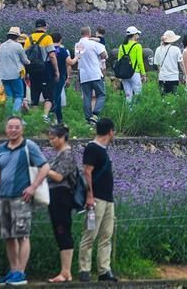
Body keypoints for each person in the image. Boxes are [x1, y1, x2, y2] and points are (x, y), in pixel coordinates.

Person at [0, 116, 49, 286]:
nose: (13, 130)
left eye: (16, 127)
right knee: (8, 236)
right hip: (4, 197)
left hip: (22, 198)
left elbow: (45, 166)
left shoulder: (28, 146)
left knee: (22, 235)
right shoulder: (1, 149)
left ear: (22, 129)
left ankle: (21, 272)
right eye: (10, 127)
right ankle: (13, 270)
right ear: (6, 129)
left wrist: (33, 186)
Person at [78, 118, 118, 283]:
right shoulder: (92, 148)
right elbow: (87, 172)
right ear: (110, 131)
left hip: (108, 199)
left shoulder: (103, 149)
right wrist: (89, 196)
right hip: (96, 200)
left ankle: (104, 270)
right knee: (90, 234)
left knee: (106, 235)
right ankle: (84, 270)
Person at [46, 125, 79, 284]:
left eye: (53, 138)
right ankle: (64, 271)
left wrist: (43, 169)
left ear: (62, 137)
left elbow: (59, 176)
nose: (51, 141)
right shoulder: (60, 154)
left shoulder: (67, 154)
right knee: (59, 231)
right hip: (55, 197)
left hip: (62, 197)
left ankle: (66, 272)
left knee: (63, 230)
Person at [68, 26, 108, 126]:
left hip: (84, 75)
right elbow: (104, 55)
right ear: (89, 33)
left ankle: (88, 118)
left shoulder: (77, 45)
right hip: (95, 73)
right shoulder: (93, 43)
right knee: (101, 95)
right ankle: (95, 115)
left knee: (87, 97)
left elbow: (78, 58)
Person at [24, 19, 59, 118]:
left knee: (34, 93)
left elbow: (25, 55)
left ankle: (35, 118)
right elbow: (52, 55)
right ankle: (45, 115)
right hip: (45, 68)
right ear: (45, 27)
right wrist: (56, 71)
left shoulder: (28, 38)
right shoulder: (47, 38)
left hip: (32, 69)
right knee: (49, 95)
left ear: (35, 27)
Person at [0, 27, 30, 114]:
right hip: (15, 75)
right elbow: (25, 60)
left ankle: (8, 116)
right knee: (19, 96)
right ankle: (15, 115)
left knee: (9, 96)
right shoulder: (18, 46)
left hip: (4, 76)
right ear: (17, 36)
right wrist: (30, 62)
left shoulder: (2, 46)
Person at [117, 26, 146, 102]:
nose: (138, 36)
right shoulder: (137, 46)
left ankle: (128, 112)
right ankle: (138, 111)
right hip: (134, 73)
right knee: (138, 94)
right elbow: (140, 61)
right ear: (134, 35)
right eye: (137, 34)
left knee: (128, 95)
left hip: (124, 74)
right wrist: (143, 74)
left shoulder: (121, 46)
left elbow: (119, 60)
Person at [47, 33, 71, 124]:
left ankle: (59, 117)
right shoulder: (62, 50)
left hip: (49, 75)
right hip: (60, 76)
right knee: (56, 97)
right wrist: (77, 58)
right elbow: (69, 62)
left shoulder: (49, 49)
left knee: (55, 96)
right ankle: (52, 115)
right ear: (60, 40)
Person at [154, 30, 182, 94]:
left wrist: (158, 76)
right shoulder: (176, 49)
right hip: (173, 77)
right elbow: (180, 64)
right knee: (173, 97)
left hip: (162, 77)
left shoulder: (158, 49)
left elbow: (158, 66)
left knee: (163, 97)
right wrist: (185, 74)